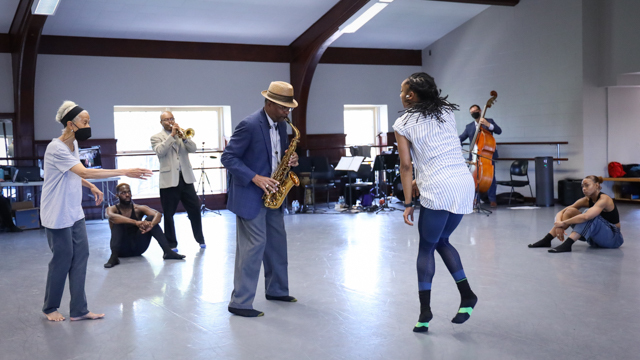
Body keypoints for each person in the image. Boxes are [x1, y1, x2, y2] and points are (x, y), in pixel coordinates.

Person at [41, 100, 153, 322]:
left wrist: (90, 187)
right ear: (71, 124)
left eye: (89, 121)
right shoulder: (56, 147)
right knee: (62, 259)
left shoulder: (73, 145)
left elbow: (75, 173)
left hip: (74, 212)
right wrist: (125, 171)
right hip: (56, 214)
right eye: (85, 121)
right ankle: (50, 307)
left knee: (81, 256)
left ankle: (79, 310)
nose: (88, 124)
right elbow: (85, 171)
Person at [394, 72, 478, 333]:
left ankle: (424, 313)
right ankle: (467, 296)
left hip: (438, 188)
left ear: (410, 95)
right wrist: (422, 177)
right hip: (463, 183)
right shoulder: (446, 113)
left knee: (427, 248)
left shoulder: (403, 123)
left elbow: (406, 166)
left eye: (402, 90)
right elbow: (439, 149)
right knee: (442, 241)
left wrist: (408, 201)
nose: (400, 94)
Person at [221, 81, 299, 317]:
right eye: (284, 107)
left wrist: (291, 160)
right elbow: (228, 158)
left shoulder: (282, 126)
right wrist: (255, 178)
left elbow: (276, 158)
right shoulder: (249, 125)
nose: (287, 112)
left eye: (289, 108)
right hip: (251, 195)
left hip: (274, 193)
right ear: (269, 103)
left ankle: (276, 290)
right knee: (252, 248)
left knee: (277, 245)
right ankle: (240, 303)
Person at [150, 111, 206, 251]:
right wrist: (172, 136)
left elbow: (193, 149)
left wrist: (185, 138)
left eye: (171, 118)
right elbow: (160, 151)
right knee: (168, 214)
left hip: (186, 179)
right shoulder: (156, 137)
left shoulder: (182, 134)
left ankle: (200, 239)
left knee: (195, 209)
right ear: (161, 122)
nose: (170, 121)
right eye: (166, 119)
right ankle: (171, 243)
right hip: (169, 181)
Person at [528, 175, 623, 253]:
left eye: (587, 185)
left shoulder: (604, 199)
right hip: (594, 239)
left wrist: (563, 223)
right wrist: (559, 225)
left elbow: (586, 216)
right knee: (570, 211)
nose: (584, 189)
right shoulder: (586, 200)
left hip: (613, 239)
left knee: (588, 215)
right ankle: (546, 240)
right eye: (582, 186)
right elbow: (562, 212)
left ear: (597, 185)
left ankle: (568, 245)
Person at [103, 183, 186, 268]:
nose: (127, 195)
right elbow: (111, 216)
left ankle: (167, 252)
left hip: (138, 247)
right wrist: (136, 222)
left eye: (129, 192)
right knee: (118, 221)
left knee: (150, 218)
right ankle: (114, 257)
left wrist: (151, 225)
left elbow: (158, 214)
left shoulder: (138, 208)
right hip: (121, 250)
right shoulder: (112, 209)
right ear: (117, 195)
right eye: (123, 193)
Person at [459, 104, 502, 207]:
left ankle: (492, 199)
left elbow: (499, 131)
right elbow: (461, 137)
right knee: (473, 178)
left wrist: (488, 124)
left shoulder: (489, 121)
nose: (474, 113)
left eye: (475, 111)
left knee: (490, 178)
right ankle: (474, 199)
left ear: (480, 110)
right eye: (471, 112)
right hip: (474, 156)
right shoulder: (469, 127)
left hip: (487, 156)